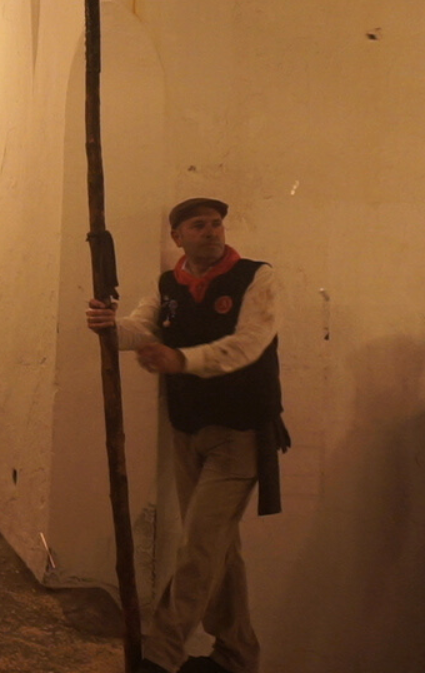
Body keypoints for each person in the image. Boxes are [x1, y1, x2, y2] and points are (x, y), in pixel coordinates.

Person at [85, 198, 289, 673]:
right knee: (220, 548)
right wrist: (110, 328)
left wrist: (181, 360)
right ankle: (237, 654)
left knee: (198, 544)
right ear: (178, 236)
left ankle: (161, 654)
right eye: (199, 226)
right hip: (187, 428)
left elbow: (248, 343)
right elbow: (143, 325)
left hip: (239, 432)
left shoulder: (258, 278)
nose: (212, 231)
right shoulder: (169, 285)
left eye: (216, 224)